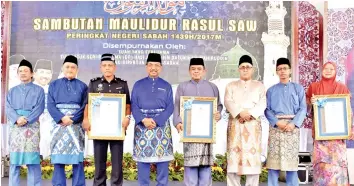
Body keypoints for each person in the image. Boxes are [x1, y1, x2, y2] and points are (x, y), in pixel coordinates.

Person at [82, 53, 131, 186]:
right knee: (99, 163)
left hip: (117, 129)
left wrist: (127, 117)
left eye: (110, 65)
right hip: (99, 129)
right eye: (104, 65)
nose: (107, 68)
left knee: (116, 164)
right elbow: (88, 104)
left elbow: (127, 105)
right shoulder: (94, 83)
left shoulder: (122, 84)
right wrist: (85, 119)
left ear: (114, 67)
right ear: (100, 67)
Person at [173, 58, 223, 186]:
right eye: (193, 69)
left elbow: (219, 106)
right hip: (189, 133)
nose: (196, 71)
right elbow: (177, 106)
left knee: (205, 165)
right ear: (189, 71)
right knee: (190, 165)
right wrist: (178, 122)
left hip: (206, 133)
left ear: (204, 71)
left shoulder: (212, 87)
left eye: (199, 69)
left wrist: (218, 114)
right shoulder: (182, 87)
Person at [307, 61, 354, 186]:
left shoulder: (342, 87)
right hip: (321, 134)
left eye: (331, 69)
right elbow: (306, 110)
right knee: (322, 165)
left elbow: (348, 111)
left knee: (337, 165)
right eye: (326, 68)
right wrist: (311, 103)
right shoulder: (314, 87)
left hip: (337, 136)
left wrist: (350, 128)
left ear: (335, 71)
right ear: (322, 70)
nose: (328, 71)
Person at [131, 53, 174, 186]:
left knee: (162, 161)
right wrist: (143, 120)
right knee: (143, 161)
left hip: (161, 126)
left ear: (161, 67)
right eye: (150, 65)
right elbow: (134, 105)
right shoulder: (138, 85)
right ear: (146, 67)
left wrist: (157, 121)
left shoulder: (166, 85)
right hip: (142, 125)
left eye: (156, 65)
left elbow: (170, 106)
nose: (153, 68)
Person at [224, 55, 266, 186]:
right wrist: (240, 113)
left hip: (253, 125)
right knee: (234, 159)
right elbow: (227, 101)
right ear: (238, 69)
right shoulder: (231, 85)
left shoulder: (259, 86)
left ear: (252, 69)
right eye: (242, 67)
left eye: (248, 67)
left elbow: (263, 102)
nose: (245, 69)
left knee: (252, 158)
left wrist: (251, 114)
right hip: (236, 124)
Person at [264, 58, 307, 186]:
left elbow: (303, 108)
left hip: (292, 128)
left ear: (290, 70)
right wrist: (277, 122)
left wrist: (293, 123)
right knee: (273, 163)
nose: (282, 71)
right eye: (279, 69)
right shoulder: (271, 90)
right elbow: (267, 109)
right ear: (276, 71)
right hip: (276, 128)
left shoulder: (298, 88)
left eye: (285, 69)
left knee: (291, 163)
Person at [47, 55, 87, 186]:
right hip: (59, 125)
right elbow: (50, 105)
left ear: (77, 70)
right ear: (62, 69)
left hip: (76, 126)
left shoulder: (83, 86)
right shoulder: (53, 85)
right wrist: (61, 118)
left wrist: (73, 119)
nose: (70, 69)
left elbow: (85, 106)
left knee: (78, 159)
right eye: (67, 67)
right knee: (58, 158)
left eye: (73, 67)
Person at [6, 59, 45, 186]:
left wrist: (27, 119)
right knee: (14, 161)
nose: (23, 73)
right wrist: (17, 118)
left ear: (32, 73)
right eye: (20, 71)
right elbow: (8, 107)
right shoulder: (12, 91)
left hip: (32, 127)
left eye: (26, 71)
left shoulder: (39, 90)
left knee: (32, 161)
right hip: (16, 127)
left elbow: (39, 107)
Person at [33, 59, 53, 158]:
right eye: (42, 72)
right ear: (34, 73)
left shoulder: (53, 89)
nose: (45, 76)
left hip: (50, 122)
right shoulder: (29, 88)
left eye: (48, 73)